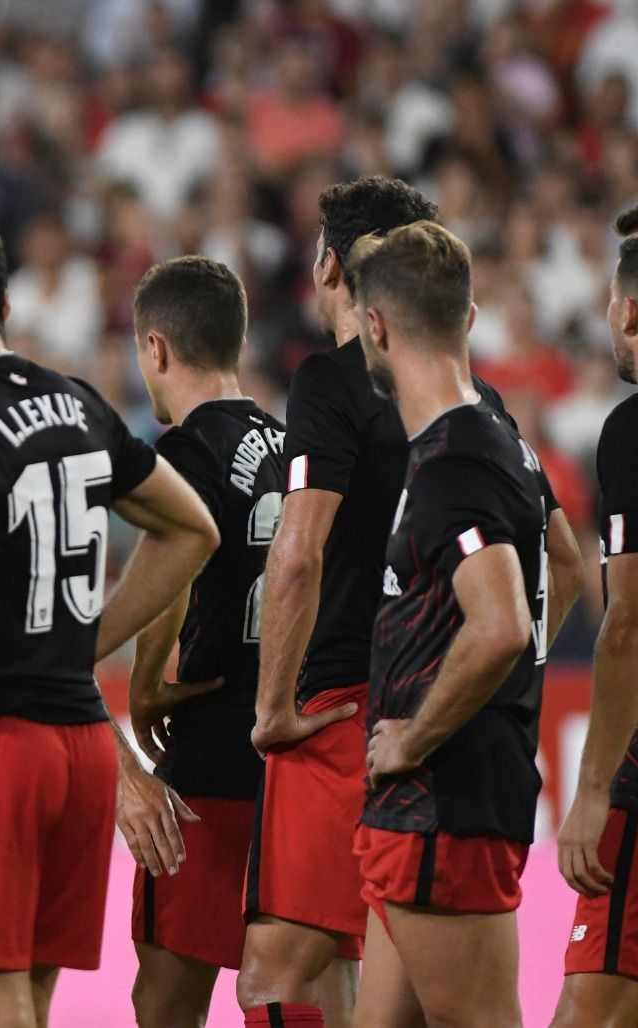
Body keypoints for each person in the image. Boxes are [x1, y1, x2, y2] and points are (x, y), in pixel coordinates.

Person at [0, 210, 220, 1028]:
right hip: (82, 752)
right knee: (26, 1003)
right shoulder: (76, 402)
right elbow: (191, 529)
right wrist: (87, 641)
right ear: (5, 305)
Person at [240, 177, 582, 1028]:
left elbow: (299, 552)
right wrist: (491, 684)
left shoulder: (339, 385)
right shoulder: (484, 410)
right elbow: (566, 564)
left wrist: (275, 705)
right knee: (380, 995)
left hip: (350, 716)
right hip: (431, 721)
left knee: (279, 972)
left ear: (332, 267)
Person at [347, 221, 550, 1026]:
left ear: (376, 327)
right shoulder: (497, 439)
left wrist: (415, 736)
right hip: (427, 804)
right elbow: (563, 569)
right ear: (467, 317)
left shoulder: (454, 462)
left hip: (443, 800)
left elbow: (500, 626)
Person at [125, 257, 284, 1027]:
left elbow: (175, 565)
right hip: (289, 756)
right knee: (292, 981)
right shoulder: (293, 445)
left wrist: (144, 685)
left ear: (156, 348)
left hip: (211, 752)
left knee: (166, 1000)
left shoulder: (189, 450)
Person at [553, 206, 638, 1027]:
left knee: (593, 1005)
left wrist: (593, 790)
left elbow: (629, 625)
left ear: (630, 311)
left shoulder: (631, 431)